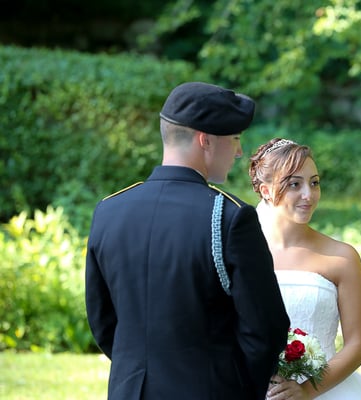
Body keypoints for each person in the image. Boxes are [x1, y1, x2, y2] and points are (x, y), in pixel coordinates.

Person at [85, 82, 290, 400]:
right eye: (235, 138)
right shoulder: (230, 217)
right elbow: (266, 328)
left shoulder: (109, 210)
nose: (238, 151)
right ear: (205, 140)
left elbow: (102, 321)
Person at [248, 138, 361, 400]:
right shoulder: (243, 255)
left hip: (326, 391)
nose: (309, 194)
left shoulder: (342, 257)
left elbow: (358, 345)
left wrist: (306, 390)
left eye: (314, 182)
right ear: (265, 190)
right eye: (295, 184)